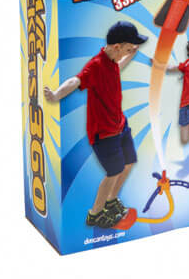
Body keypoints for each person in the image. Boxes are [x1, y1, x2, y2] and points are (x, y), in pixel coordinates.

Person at [44, 21, 148, 228]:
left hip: (120, 125)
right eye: (127, 49)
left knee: (128, 163)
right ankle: (95, 214)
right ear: (117, 47)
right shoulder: (96, 66)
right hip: (104, 133)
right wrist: (56, 95)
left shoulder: (113, 61)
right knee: (113, 173)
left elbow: (118, 67)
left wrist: (131, 54)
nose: (129, 52)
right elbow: (75, 81)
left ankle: (110, 201)